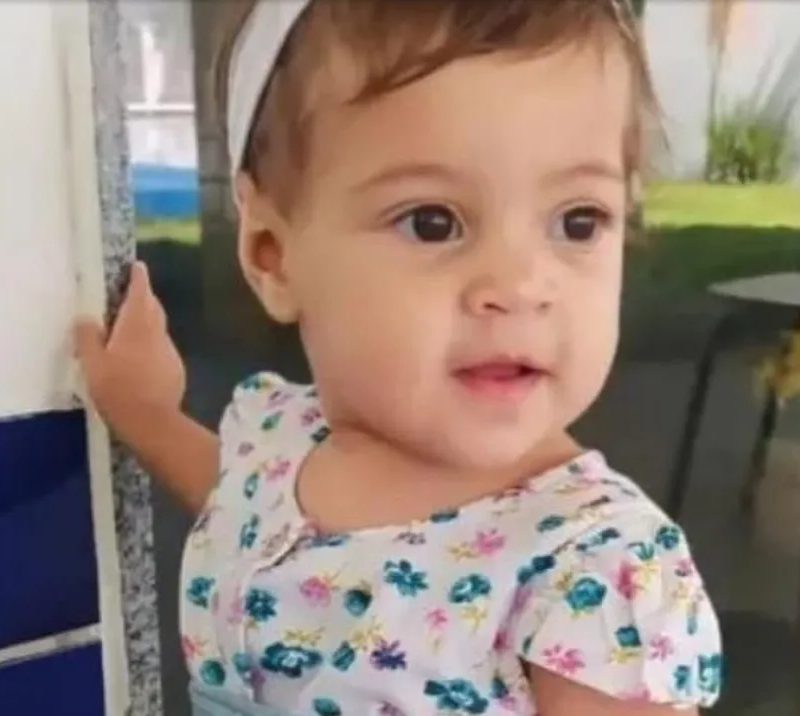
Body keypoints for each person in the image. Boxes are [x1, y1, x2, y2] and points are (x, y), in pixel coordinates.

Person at [75, 1, 723, 714]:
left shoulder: (590, 569)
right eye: (433, 222)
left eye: (579, 221)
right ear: (273, 255)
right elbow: (241, 512)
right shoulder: (283, 442)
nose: (520, 286)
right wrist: (147, 414)